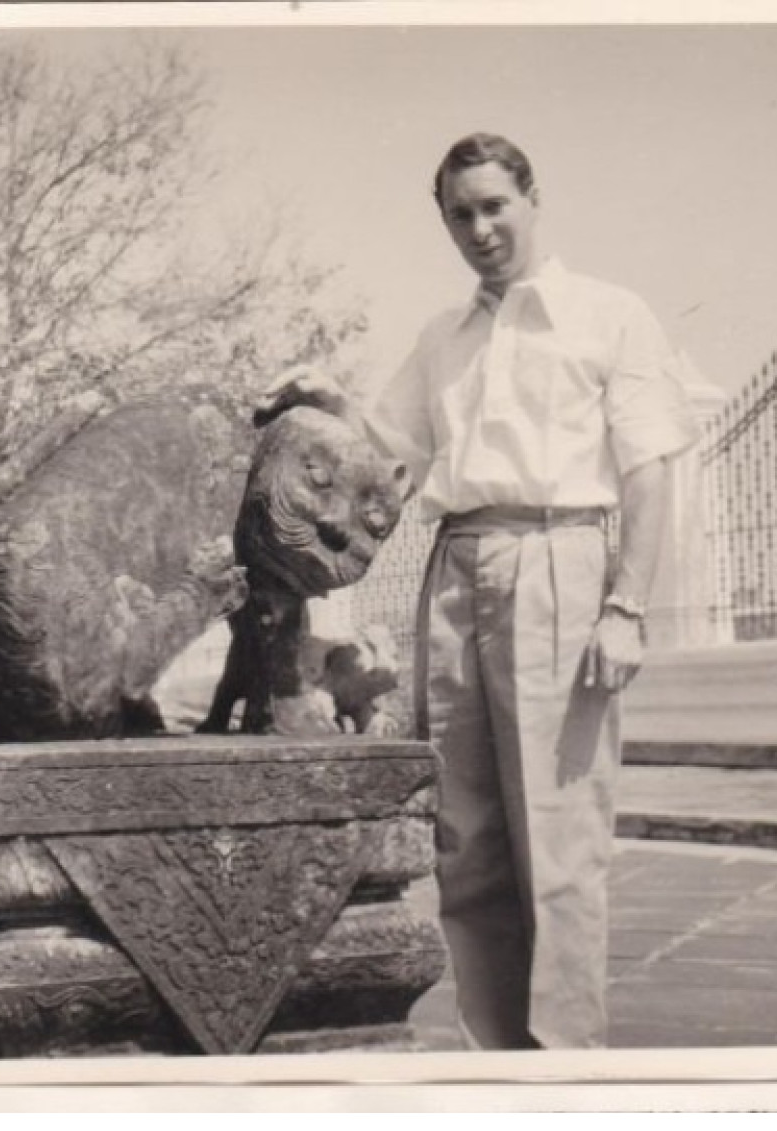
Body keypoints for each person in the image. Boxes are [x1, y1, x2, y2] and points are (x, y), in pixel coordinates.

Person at [266, 132, 697, 1049]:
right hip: (454, 569)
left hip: (558, 562)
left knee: (559, 842)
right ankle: (498, 1067)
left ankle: (565, 1074)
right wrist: (330, 399)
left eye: (495, 205)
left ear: (533, 199)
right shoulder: (443, 337)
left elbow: (651, 470)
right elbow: (390, 456)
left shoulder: (606, 315)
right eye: (460, 213)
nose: (480, 228)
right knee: (464, 841)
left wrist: (626, 607)